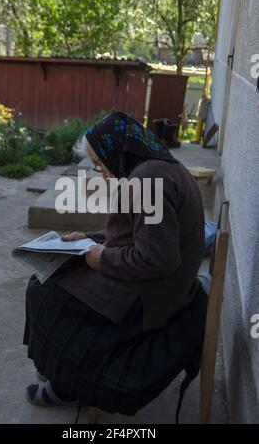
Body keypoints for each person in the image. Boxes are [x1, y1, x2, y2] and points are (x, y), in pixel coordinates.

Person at [23, 111, 208, 416]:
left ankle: (67, 383)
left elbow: (157, 259)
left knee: (45, 292)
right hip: (155, 283)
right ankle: (61, 374)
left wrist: (101, 257)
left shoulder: (149, 179)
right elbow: (138, 233)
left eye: (100, 163)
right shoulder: (155, 168)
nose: (102, 172)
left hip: (150, 297)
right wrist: (90, 238)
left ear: (117, 149)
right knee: (51, 280)